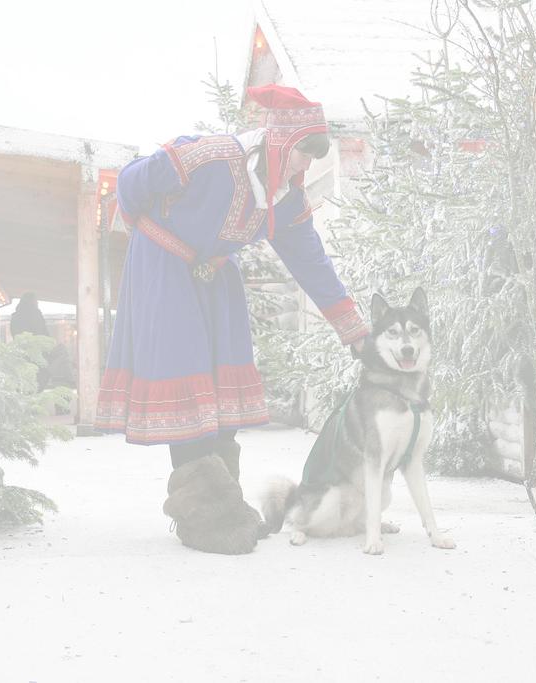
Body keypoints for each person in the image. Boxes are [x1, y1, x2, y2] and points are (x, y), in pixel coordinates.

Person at [95, 84, 369, 554]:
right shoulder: (208, 157)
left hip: (215, 275)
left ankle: (225, 507)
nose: (307, 165)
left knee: (221, 390)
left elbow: (311, 261)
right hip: (164, 267)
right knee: (184, 389)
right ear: (281, 143)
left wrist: (353, 328)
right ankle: (203, 521)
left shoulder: (284, 197)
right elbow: (130, 184)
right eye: (305, 153)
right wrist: (149, 239)